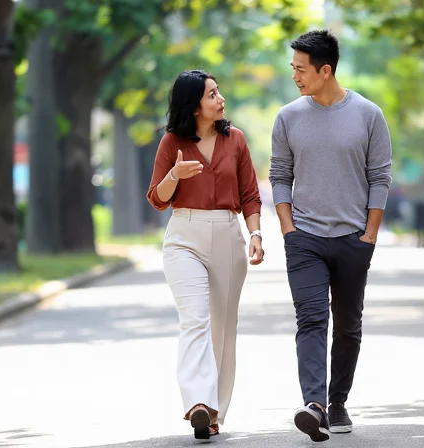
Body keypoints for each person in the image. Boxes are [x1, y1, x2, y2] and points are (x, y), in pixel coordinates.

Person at [269, 29, 392, 442]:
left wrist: (369, 234)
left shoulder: (368, 115)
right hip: (304, 238)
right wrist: (288, 229)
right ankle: (315, 406)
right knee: (311, 319)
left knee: (348, 325)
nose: (295, 77)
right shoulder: (288, 117)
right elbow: (279, 175)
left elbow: (380, 178)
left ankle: (337, 401)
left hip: (353, 238)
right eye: (293, 68)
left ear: (325, 70)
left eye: (301, 70)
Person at [146, 69, 265, 440]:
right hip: (184, 236)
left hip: (228, 234)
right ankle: (197, 401)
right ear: (193, 105)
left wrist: (255, 233)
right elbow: (157, 198)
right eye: (212, 94)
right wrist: (175, 175)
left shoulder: (236, 140)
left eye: (218, 91)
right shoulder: (172, 142)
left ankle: (214, 413)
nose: (220, 99)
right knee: (195, 319)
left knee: (222, 329)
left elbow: (249, 194)